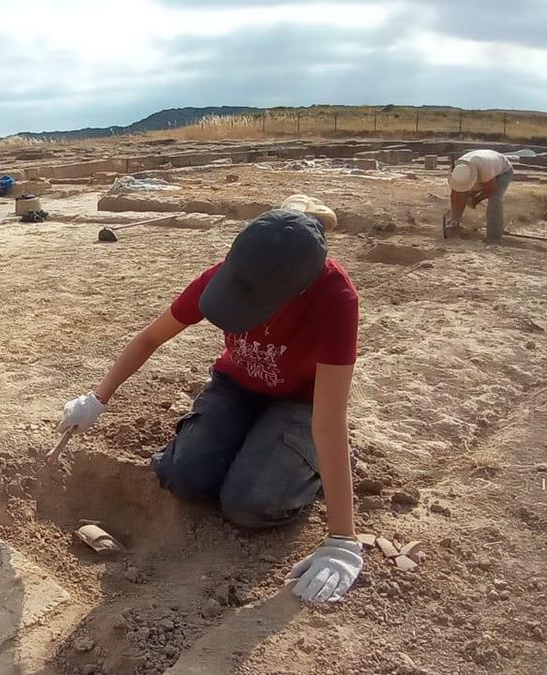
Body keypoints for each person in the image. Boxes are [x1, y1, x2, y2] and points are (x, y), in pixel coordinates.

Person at [58, 209, 362, 604]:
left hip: (301, 403)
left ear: (294, 292)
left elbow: (329, 421)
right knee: (183, 477)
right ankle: (256, 447)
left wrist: (342, 539)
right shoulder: (230, 275)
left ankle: (309, 467)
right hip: (235, 387)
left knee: (250, 505)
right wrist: (97, 398)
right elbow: (151, 337)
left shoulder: (335, 299)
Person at [446, 149, 514, 243]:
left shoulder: (485, 169)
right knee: (462, 193)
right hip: (484, 167)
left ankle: (494, 238)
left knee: (495, 199)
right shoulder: (456, 172)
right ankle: (455, 223)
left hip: (503, 170)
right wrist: (455, 217)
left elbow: (491, 189)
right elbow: (456, 195)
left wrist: (476, 199)